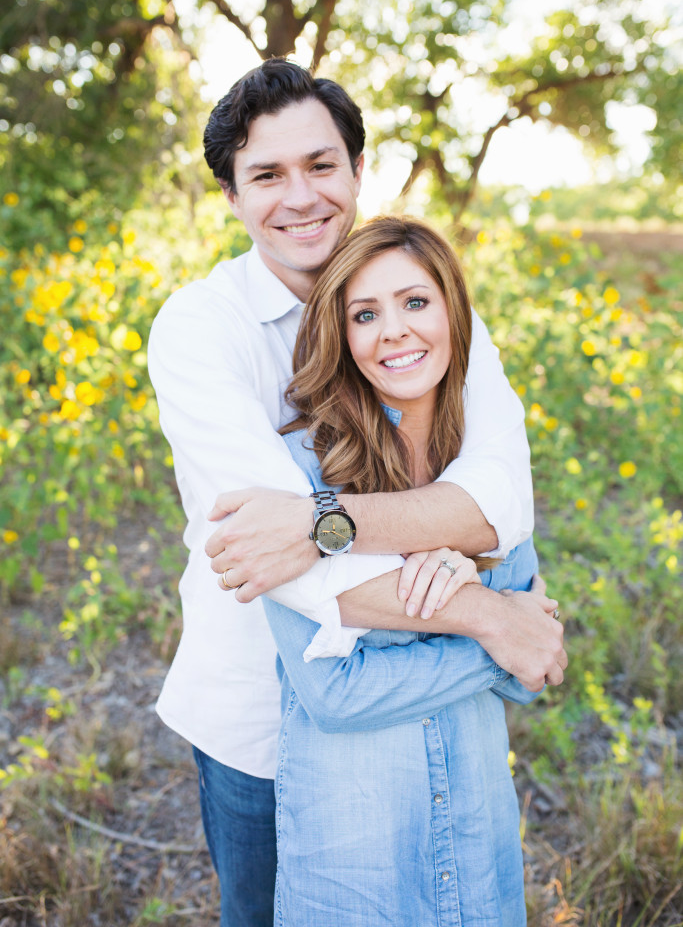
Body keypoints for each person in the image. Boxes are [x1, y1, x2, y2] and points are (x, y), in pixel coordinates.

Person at [147, 58, 566, 927]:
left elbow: (497, 499)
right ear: (231, 195)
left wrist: (319, 522)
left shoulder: (422, 302)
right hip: (261, 712)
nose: (300, 197)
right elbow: (281, 562)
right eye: (267, 175)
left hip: (417, 721)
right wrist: (494, 617)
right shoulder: (199, 328)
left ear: (356, 170)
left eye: (320, 165)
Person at [261, 214, 541, 925]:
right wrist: (492, 623)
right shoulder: (299, 472)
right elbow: (333, 695)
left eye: (414, 302)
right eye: (365, 313)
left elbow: (533, 669)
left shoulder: (483, 463)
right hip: (355, 853)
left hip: (477, 836)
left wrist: (511, 627)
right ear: (343, 335)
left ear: (452, 310)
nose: (393, 331)